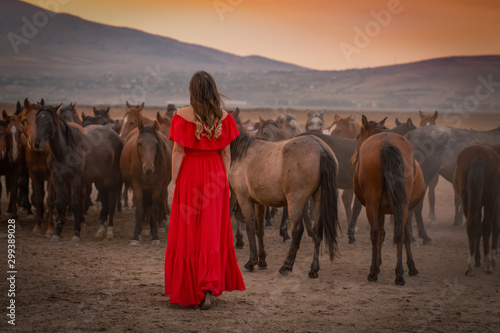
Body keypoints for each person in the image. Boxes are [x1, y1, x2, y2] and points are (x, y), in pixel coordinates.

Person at [164, 71, 245, 310]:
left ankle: (188, 289)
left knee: (188, 232)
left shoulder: (180, 116)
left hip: (190, 175)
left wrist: (173, 182)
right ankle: (208, 286)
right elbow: (227, 154)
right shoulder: (225, 118)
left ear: (192, 91)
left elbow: (178, 152)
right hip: (215, 177)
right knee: (211, 231)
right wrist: (224, 182)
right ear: (213, 90)